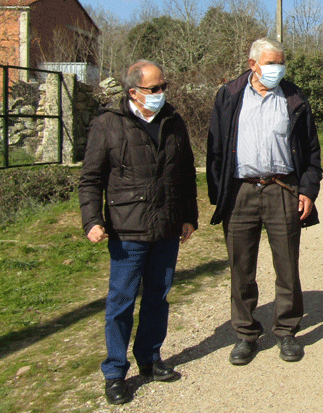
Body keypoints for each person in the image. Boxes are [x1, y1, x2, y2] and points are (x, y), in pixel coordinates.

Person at [79, 60, 198, 405]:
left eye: (164, 86)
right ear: (133, 92)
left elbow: (186, 172)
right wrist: (92, 220)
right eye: (154, 89)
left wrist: (188, 216)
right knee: (121, 302)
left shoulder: (173, 122)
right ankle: (115, 371)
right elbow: (90, 179)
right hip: (126, 230)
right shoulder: (108, 124)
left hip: (166, 226)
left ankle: (149, 358)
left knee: (158, 297)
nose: (162, 94)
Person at [206, 38, 323, 366]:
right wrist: (221, 196)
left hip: (282, 189)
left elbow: (312, 152)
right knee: (241, 267)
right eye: (271, 63)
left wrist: (307, 190)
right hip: (240, 192)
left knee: (287, 265)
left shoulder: (294, 97)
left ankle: (286, 330)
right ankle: (245, 334)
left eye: (281, 63)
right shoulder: (229, 96)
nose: (277, 70)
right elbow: (215, 151)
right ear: (252, 63)